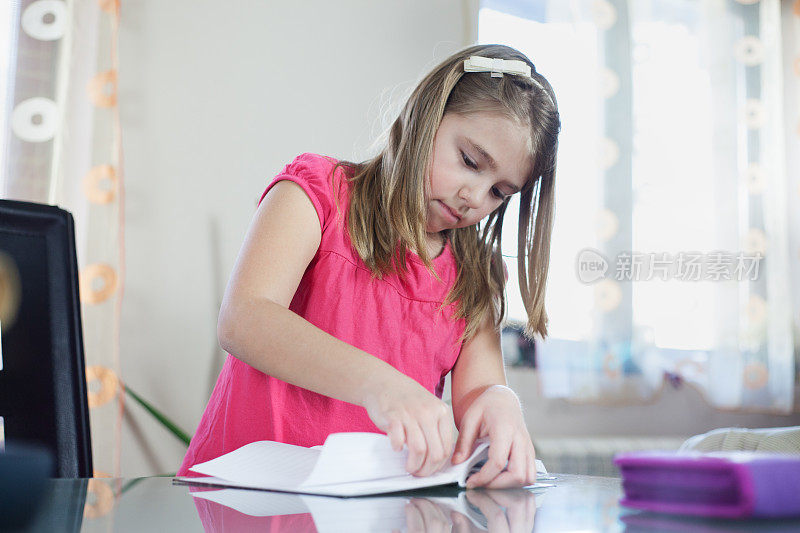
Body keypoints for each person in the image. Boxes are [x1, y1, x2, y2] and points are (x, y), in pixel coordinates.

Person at [177, 43, 560, 489]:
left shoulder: (476, 275)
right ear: (424, 117)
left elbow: (479, 392)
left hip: (373, 512)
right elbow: (244, 318)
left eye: (499, 192)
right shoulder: (316, 194)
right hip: (245, 498)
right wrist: (383, 386)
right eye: (470, 162)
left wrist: (501, 400)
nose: (475, 197)